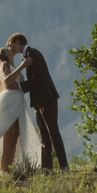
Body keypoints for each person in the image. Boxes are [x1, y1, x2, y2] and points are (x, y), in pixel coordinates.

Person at [7, 32, 69, 171]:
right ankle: (47, 167)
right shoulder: (28, 55)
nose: (11, 48)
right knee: (43, 134)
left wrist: (21, 87)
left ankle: (64, 166)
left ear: (18, 41)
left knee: (52, 131)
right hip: (39, 100)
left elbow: (38, 77)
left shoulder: (32, 53)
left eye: (11, 45)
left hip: (46, 98)